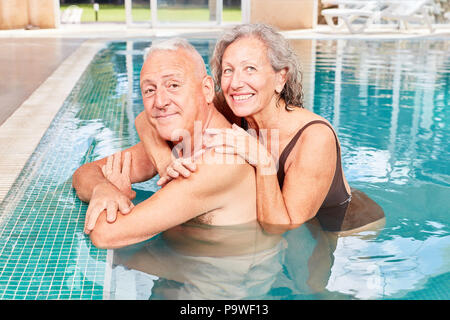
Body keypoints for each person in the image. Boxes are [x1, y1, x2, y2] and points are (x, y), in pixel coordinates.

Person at [137, 24, 385, 234]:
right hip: (290, 217)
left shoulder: (314, 138)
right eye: (228, 70)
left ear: (281, 78)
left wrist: (263, 161)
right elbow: (146, 117)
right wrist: (165, 163)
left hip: (346, 227)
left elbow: (282, 226)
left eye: (250, 69)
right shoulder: (234, 104)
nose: (236, 83)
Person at [72, 38, 257, 249]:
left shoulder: (221, 161)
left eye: (174, 85)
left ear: (206, 89)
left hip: (221, 276)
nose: (160, 102)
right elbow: (85, 173)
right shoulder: (179, 140)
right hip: (187, 264)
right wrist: (103, 190)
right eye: (150, 90)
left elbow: (105, 234)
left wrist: (121, 200)